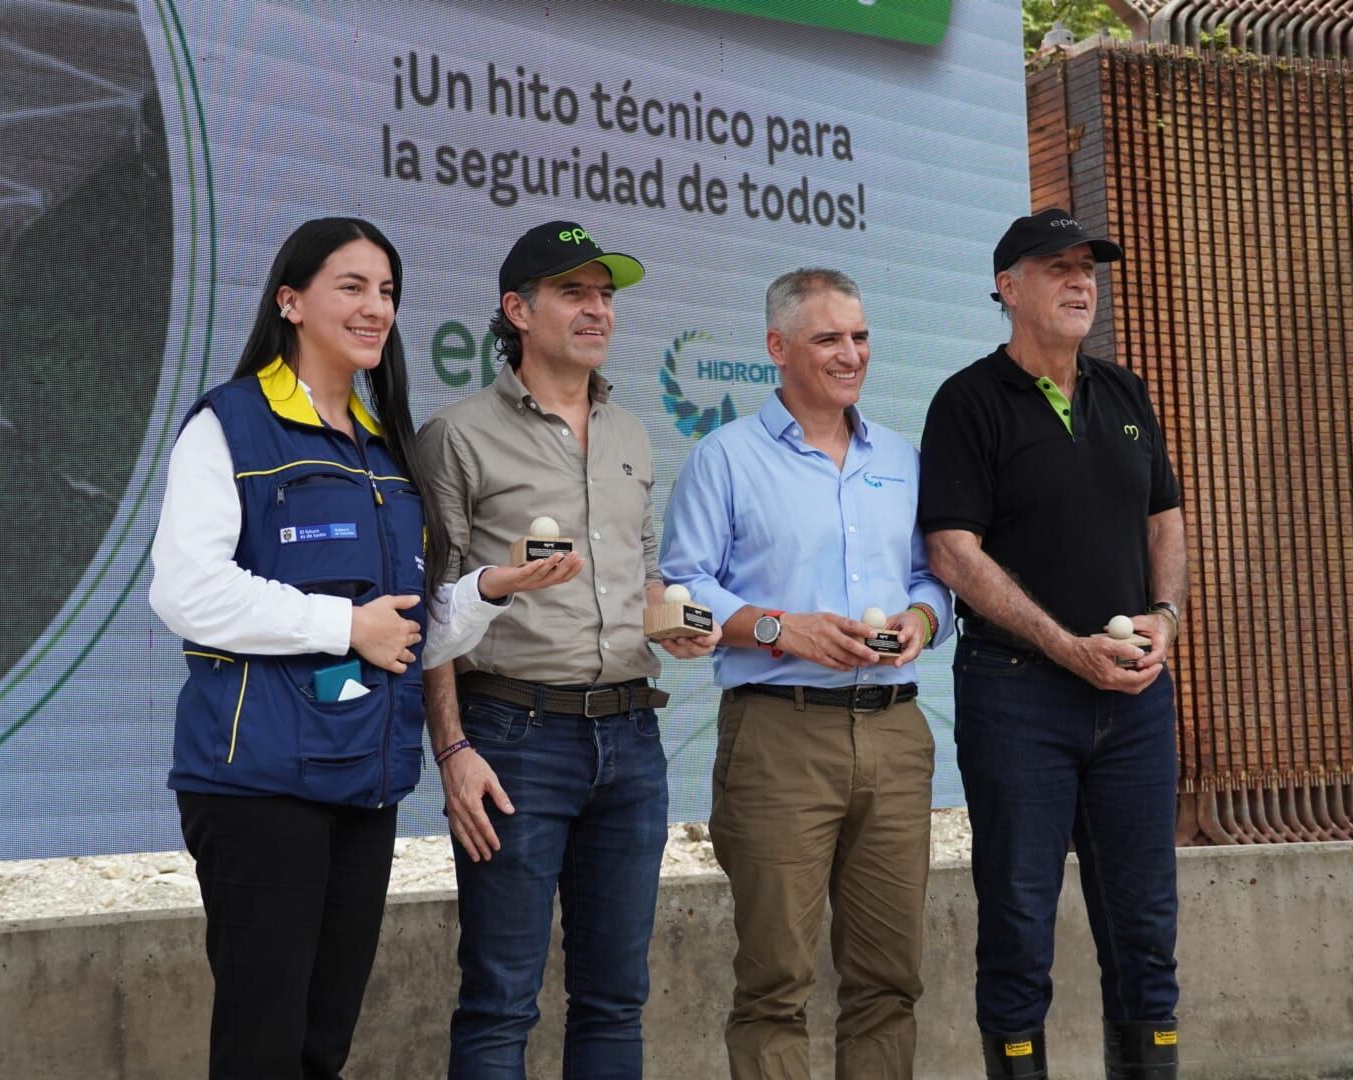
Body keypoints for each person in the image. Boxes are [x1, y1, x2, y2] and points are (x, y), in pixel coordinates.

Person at [415, 220, 719, 1080]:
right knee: (499, 1002)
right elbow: (433, 610)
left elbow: (648, 572)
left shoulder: (629, 434)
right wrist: (454, 748)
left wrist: (674, 621)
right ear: (517, 310)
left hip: (631, 740)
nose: (598, 311)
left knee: (616, 1001)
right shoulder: (457, 435)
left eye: (606, 296)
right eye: (573, 293)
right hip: (512, 738)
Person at [150, 217, 434, 1079]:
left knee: (321, 1047)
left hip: (364, 779)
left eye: (386, 291)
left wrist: (488, 597)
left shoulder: (388, 453)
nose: (375, 308)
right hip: (257, 783)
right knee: (262, 1048)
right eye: (351, 286)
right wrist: (344, 626)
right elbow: (186, 593)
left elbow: (400, 625)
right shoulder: (230, 425)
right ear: (290, 300)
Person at [659, 268, 954, 1080]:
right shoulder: (723, 457)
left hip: (895, 734)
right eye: (828, 338)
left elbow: (933, 577)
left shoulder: (902, 456)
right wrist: (784, 630)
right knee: (774, 986)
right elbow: (682, 590)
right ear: (775, 348)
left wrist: (920, 621)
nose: (850, 353)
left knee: (889, 980)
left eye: (859, 336)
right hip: (778, 733)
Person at [918, 208, 1186, 1079]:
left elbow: (1165, 518)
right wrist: (1065, 646)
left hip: (1136, 701)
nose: (1081, 282)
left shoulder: (1124, 391)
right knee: (1019, 928)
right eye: (1058, 267)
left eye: (1088, 268)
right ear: (1008, 287)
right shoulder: (966, 401)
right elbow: (953, 553)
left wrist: (1167, 618)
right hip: (1018, 694)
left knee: (1145, 930)